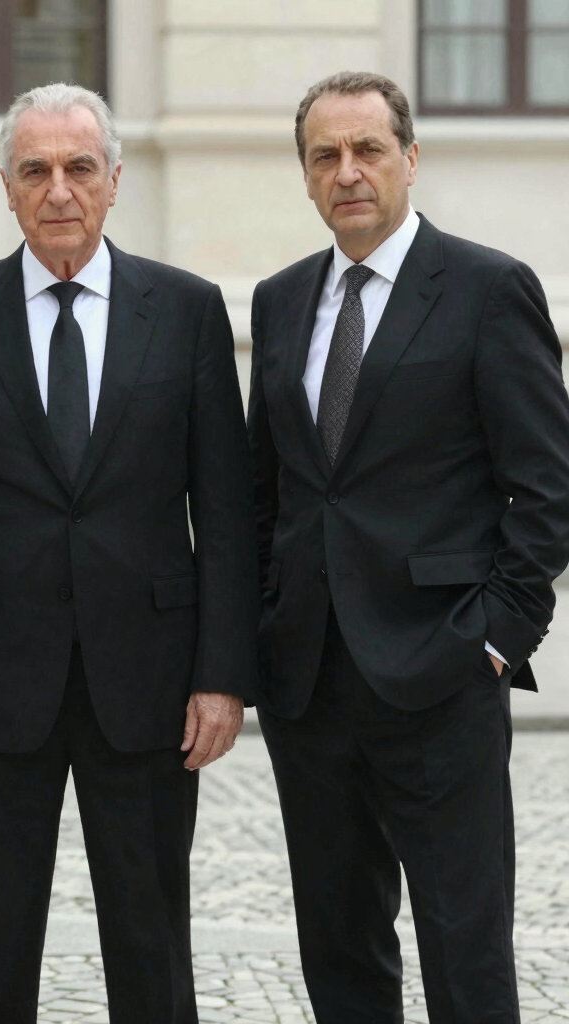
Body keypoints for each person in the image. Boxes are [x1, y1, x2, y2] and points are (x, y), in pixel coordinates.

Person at [0, 83, 259, 1023]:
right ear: (7, 188)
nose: (60, 190)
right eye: (37, 171)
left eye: (80, 168)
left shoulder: (186, 311)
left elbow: (224, 511)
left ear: (115, 181)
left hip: (151, 685)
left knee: (152, 942)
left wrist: (223, 675)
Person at [248, 70, 569, 1023]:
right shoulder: (278, 301)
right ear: (306, 176)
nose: (348, 172)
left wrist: (497, 637)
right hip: (309, 683)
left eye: (368, 150)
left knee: (465, 955)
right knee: (338, 950)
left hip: (442, 676)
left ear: (410, 159)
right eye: (325, 155)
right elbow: (266, 488)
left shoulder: (486, 288)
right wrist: (265, 626)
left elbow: (546, 487)